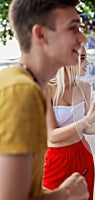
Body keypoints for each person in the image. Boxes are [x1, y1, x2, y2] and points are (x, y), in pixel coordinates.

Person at [0, 1, 90, 199]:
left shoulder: (26, 86)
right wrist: (65, 194)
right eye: (73, 28)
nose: (81, 38)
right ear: (40, 34)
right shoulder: (21, 92)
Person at [43, 45, 95, 200]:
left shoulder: (85, 87)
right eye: (82, 58)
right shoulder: (45, 90)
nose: (87, 63)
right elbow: (52, 136)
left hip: (82, 154)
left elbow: (85, 127)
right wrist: (86, 121)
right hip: (56, 159)